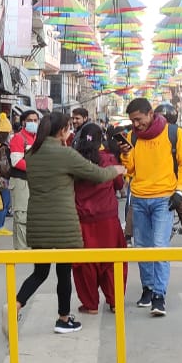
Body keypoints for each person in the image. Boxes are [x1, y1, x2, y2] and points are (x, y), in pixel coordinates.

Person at [9, 111, 125, 335]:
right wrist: (116, 169)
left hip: (38, 221)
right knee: (64, 272)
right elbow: (97, 175)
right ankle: (63, 319)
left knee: (40, 272)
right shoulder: (65, 154)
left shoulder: (32, 154)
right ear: (62, 130)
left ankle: (15, 304)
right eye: (68, 127)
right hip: (63, 223)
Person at [119, 98, 182, 318]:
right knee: (142, 247)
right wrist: (125, 153)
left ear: (150, 114)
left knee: (160, 246)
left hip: (164, 199)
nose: (136, 124)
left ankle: (159, 295)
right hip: (139, 198)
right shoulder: (132, 136)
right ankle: (148, 288)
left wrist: (180, 191)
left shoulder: (173, 133)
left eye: (138, 119)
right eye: (132, 121)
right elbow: (130, 169)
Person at [71, 123, 127, 315]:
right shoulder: (108, 159)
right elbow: (118, 185)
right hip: (108, 218)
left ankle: (90, 304)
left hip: (83, 218)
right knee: (113, 261)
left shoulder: (75, 160)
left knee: (86, 262)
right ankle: (115, 301)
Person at [155, 103, 182, 245]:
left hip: (171, 180)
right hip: (161, 179)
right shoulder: (171, 133)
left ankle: (128, 236)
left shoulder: (175, 133)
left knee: (181, 205)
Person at [8, 110, 39, 250]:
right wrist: (37, 168)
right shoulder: (18, 138)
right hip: (20, 182)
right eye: (30, 120)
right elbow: (16, 161)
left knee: (29, 217)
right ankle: (22, 251)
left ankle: (25, 250)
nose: (33, 123)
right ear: (23, 122)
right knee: (21, 217)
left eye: (35, 120)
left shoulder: (37, 138)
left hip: (32, 181)